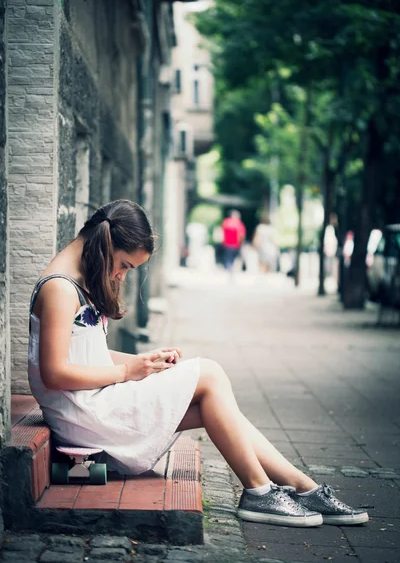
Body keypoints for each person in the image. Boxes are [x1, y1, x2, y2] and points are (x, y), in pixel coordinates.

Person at [28, 199, 368, 527]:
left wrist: (144, 362)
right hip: (83, 418)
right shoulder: (60, 288)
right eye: (124, 265)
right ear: (105, 243)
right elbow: (55, 373)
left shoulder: (76, 281)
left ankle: (300, 487)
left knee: (215, 405)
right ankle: (260, 491)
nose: (119, 276)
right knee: (209, 374)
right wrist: (127, 373)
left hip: (93, 406)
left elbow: (87, 355)